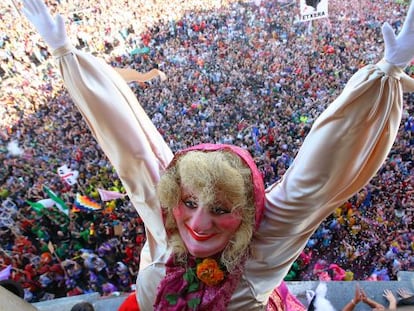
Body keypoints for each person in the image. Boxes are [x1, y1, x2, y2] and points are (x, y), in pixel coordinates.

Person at [21, 0, 414, 310]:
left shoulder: (264, 240)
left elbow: (320, 172)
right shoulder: (164, 217)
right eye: (189, 202)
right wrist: (65, 54)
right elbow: (130, 147)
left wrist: (385, 75)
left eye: (221, 208)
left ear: (247, 209)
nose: (199, 222)